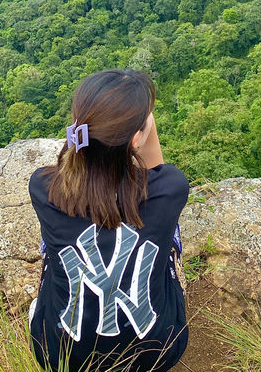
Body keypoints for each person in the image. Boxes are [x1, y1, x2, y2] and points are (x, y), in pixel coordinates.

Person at [28, 69, 189, 372]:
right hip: (158, 353)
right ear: (137, 137)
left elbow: (75, 173)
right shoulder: (170, 189)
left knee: (51, 246)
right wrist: (146, 132)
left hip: (60, 355)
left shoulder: (43, 187)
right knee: (171, 234)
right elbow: (157, 172)